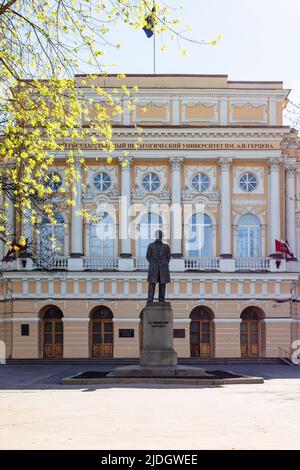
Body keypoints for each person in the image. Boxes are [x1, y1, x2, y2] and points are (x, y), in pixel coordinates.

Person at [146, 230, 171, 302]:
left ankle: (162, 299)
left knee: (162, 284)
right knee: (152, 284)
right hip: (153, 268)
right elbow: (148, 256)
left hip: (163, 269)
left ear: (162, 236)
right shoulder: (151, 245)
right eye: (157, 234)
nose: (159, 236)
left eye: (160, 234)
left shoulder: (166, 246)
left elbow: (168, 257)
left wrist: (163, 264)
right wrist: (153, 263)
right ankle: (150, 299)